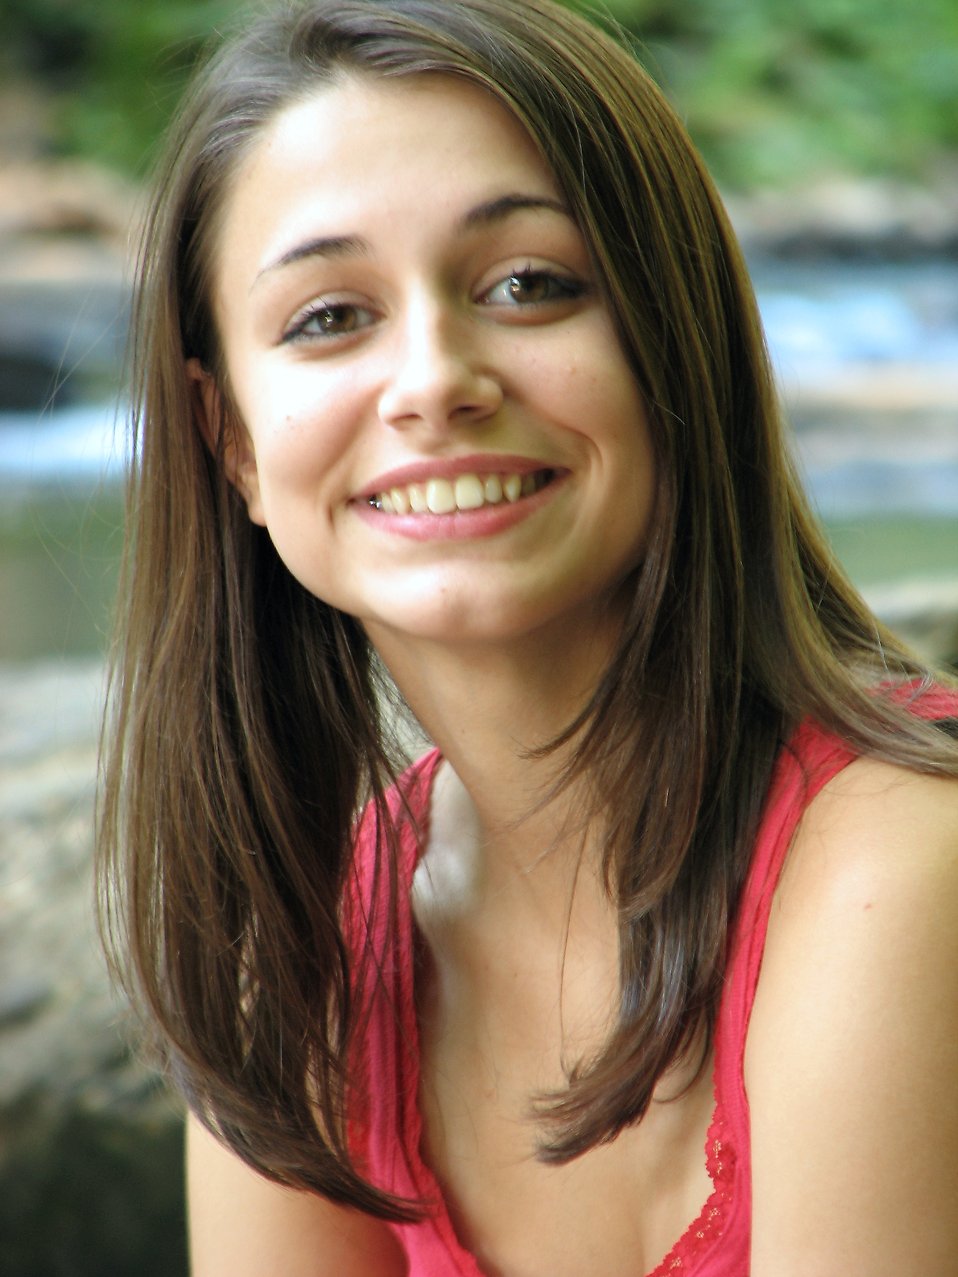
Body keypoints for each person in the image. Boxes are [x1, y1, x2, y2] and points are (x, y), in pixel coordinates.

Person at [97, 1, 958, 1273]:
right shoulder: (306, 967)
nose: (436, 376)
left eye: (528, 285)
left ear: (676, 335)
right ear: (228, 437)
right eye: (330, 316)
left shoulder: (905, 865)